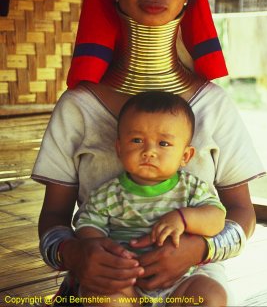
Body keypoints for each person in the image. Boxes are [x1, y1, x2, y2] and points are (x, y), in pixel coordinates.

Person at [32, 0, 265, 307]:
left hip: (192, 277)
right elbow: (53, 216)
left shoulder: (212, 104)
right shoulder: (79, 107)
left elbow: (242, 212)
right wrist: (74, 255)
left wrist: (200, 250)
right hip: (106, 276)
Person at [76, 91, 226, 306]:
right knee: (97, 295)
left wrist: (183, 218)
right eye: (137, 140)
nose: (149, 151)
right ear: (119, 148)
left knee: (212, 294)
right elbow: (87, 225)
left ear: (185, 156)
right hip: (125, 282)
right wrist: (99, 247)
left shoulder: (191, 189)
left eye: (163, 143)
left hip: (180, 282)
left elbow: (217, 218)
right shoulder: (108, 194)